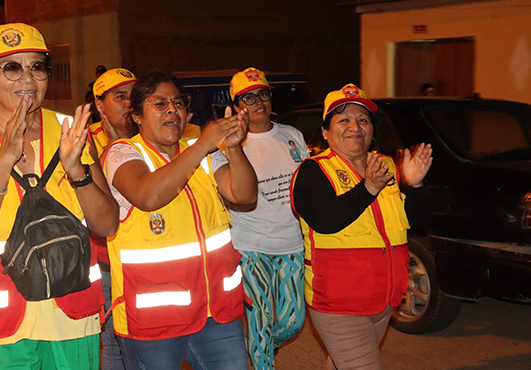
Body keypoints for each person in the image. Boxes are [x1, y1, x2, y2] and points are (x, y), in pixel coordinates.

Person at [0, 23, 119, 370]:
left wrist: (77, 171)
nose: (28, 80)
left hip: (70, 313)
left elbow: (107, 224)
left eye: (37, 67)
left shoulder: (71, 131)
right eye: (12, 68)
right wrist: (2, 161)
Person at [102, 71, 257, 370]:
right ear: (136, 116)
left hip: (215, 312)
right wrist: (202, 145)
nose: (172, 110)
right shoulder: (122, 153)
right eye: (159, 103)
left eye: (178, 102)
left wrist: (234, 147)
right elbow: (148, 196)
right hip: (154, 320)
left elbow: (245, 194)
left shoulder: (205, 155)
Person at [290, 84, 432, 370]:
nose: (355, 126)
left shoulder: (386, 167)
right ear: (327, 133)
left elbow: (416, 223)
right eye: (343, 120)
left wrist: (414, 185)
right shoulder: (313, 171)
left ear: (372, 131)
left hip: (384, 300)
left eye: (363, 120)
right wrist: (368, 188)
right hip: (340, 305)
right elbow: (326, 221)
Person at [228, 67, 308, 369]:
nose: (258, 101)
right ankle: (261, 354)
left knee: (293, 321)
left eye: (262, 94)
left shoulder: (292, 135)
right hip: (250, 246)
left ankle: (261, 344)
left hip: (292, 244)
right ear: (238, 106)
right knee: (259, 317)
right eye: (248, 97)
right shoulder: (231, 144)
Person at [88, 67, 138, 370]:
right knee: (113, 340)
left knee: (142, 338)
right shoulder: (84, 140)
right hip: (103, 258)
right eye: (120, 97)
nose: (129, 103)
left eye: (134, 96)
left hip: (144, 256)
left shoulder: (151, 134)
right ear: (99, 104)